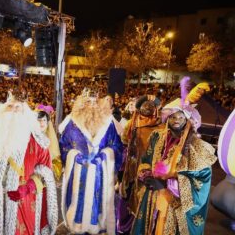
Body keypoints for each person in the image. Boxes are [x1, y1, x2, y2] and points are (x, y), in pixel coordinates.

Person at [131, 77, 216, 235]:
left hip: (174, 205)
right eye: (173, 117)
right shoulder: (157, 137)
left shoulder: (197, 147)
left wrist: (168, 183)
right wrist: (146, 174)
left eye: (181, 117)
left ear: (188, 120)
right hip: (153, 198)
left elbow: (202, 177)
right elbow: (146, 160)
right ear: (167, 118)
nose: (176, 120)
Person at [0, 91, 58, 235]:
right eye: (11, 106)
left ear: (25, 112)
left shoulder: (37, 141)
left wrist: (28, 187)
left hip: (22, 201)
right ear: (3, 109)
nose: (14, 111)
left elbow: (46, 171)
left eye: (18, 107)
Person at [59, 88, 123, 234]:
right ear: (81, 103)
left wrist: (106, 155)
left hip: (100, 171)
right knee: (78, 199)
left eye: (95, 102)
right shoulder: (71, 122)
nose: (92, 105)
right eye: (88, 102)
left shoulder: (108, 123)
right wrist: (74, 156)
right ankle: (77, 227)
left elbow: (117, 145)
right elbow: (64, 145)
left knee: (98, 201)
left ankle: (97, 226)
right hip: (79, 171)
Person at [117, 95, 163, 234]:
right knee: (128, 195)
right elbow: (124, 143)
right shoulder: (132, 123)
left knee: (144, 198)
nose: (147, 108)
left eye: (150, 106)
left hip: (150, 169)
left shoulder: (161, 126)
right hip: (131, 168)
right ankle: (124, 227)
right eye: (145, 105)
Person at [36, 104, 63, 180]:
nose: (41, 123)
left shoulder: (50, 139)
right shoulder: (31, 137)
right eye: (39, 120)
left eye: (44, 120)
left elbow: (56, 163)